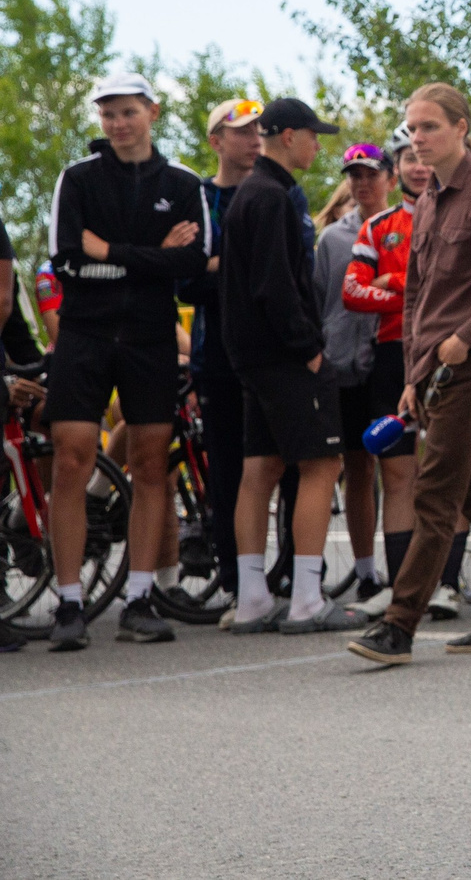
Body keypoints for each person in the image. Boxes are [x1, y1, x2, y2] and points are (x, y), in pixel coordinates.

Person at [348, 83, 471, 667]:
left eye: (429, 127)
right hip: (431, 369)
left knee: (434, 495)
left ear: (461, 128)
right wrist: (413, 372)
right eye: (411, 129)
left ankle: (399, 624)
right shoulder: (428, 196)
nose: (417, 139)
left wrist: (465, 339)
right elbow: (417, 293)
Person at [42, 72, 208, 649]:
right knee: (71, 460)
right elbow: (65, 262)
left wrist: (111, 253)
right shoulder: (77, 178)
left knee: (150, 462)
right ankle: (68, 603)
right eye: (109, 113)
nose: (118, 123)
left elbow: (191, 265)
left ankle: (140, 596)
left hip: (149, 336)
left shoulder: (184, 183)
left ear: (153, 112)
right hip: (85, 334)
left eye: (128, 112)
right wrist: (150, 259)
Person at [222, 97, 361, 635]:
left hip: (252, 356)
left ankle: (253, 597)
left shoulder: (250, 194)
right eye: (311, 135)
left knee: (261, 468)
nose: (317, 145)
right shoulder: (273, 197)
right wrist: (308, 347)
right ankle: (306, 597)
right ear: (286, 136)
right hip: (284, 355)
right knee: (322, 465)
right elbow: (275, 284)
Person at [343, 128, 431, 618]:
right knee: (396, 473)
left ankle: (449, 583)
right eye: (408, 158)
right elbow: (353, 293)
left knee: (446, 471)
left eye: (424, 157)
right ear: (396, 168)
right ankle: (400, 587)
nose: (419, 166)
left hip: (448, 353)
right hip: (392, 353)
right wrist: (410, 292)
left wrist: (391, 282)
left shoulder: (462, 217)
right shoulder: (378, 226)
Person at [186, 95, 265, 614]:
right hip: (217, 356)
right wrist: (228, 269)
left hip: (270, 354)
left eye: (259, 130)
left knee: (285, 464)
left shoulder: (275, 191)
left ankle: (283, 575)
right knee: (230, 470)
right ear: (217, 142)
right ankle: (236, 580)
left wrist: (222, 267)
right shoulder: (196, 196)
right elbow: (187, 278)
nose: (254, 139)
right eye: (241, 132)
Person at [319, 143, 399, 610]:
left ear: (389, 177)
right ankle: (367, 572)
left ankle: (404, 566)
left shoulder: (405, 229)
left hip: (390, 359)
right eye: (354, 175)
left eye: (370, 173)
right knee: (357, 468)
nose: (362, 183)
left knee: (397, 466)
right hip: (343, 365)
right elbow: (320, 300)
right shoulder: (332, 240)